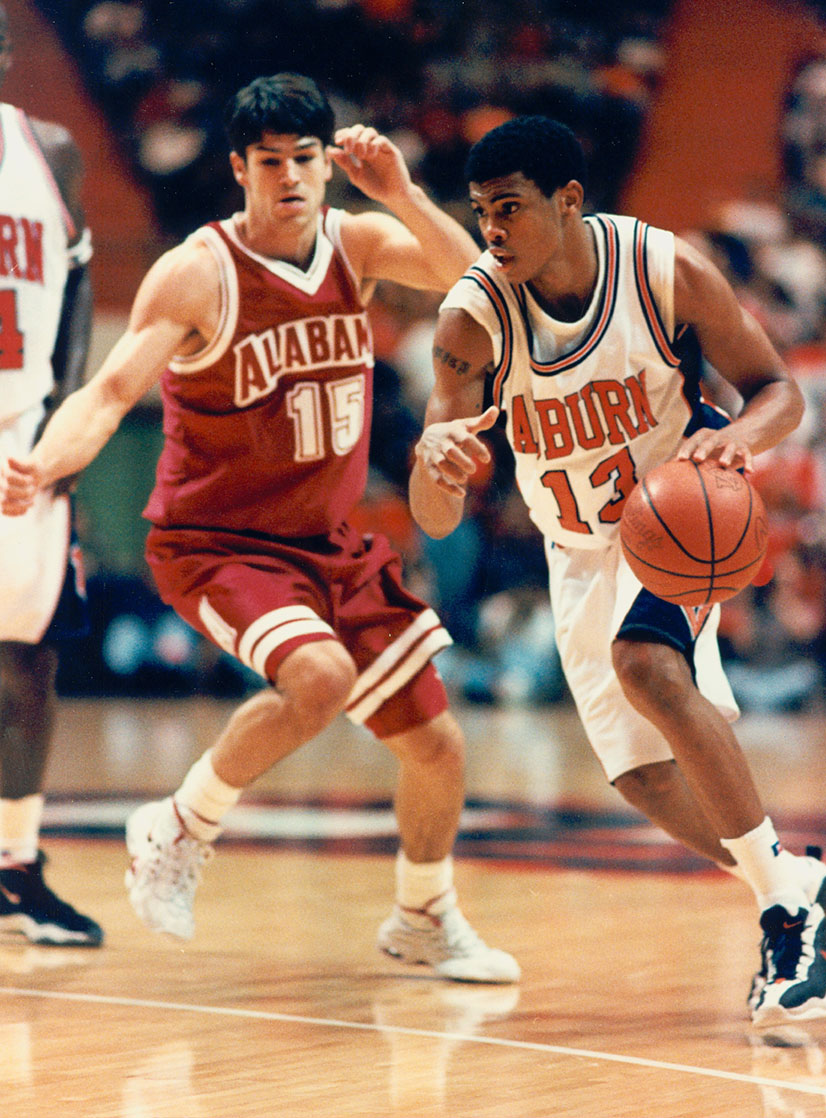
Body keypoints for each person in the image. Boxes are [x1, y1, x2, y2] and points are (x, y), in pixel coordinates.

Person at [0, 73, 518, 983]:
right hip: (219, 543)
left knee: (436, 745)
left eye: (304, 159)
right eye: (270, 162)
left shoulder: (356, 243)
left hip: (327, 542)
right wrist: (44, 464)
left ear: (327, 165)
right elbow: (111, 391)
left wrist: (401, 193)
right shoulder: (198, 272)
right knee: (319, 676)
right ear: (240, 168)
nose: (289, 178)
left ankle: (424, 914)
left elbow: (471, 276)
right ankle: (179, 824)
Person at [409, 115, 826, 1024]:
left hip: (676, 516)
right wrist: (435, 463)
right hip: (575, 546)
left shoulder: (663, 271)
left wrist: (736, 440)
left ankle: (787, 921)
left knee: (644, 664)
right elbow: (434, 515)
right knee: (642, 778)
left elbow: (779, 391)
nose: (491, 230)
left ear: (569, 200)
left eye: (510, 208)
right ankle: (799, 884)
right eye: (481, 212)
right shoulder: (471, 319)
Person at [0, 4, 102, 946]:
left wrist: (64, 424)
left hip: (24, 444)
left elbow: (78, 289)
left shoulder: (51, 151)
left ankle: (16, 864)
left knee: (29, 659)